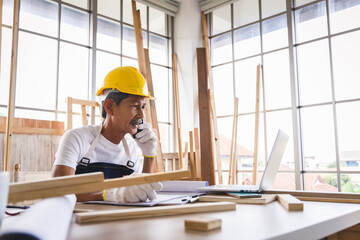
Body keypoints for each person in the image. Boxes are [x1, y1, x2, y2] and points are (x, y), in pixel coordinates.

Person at [52, 66, 162, 203]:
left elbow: (141, 193)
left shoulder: (132, 150)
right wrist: (107, 195)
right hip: (80, 221)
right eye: (134, 106)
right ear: (110, 107)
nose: (141, 115)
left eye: (143, 107)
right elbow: (58, 191)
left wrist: (149, 155)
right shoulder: (77, 139)